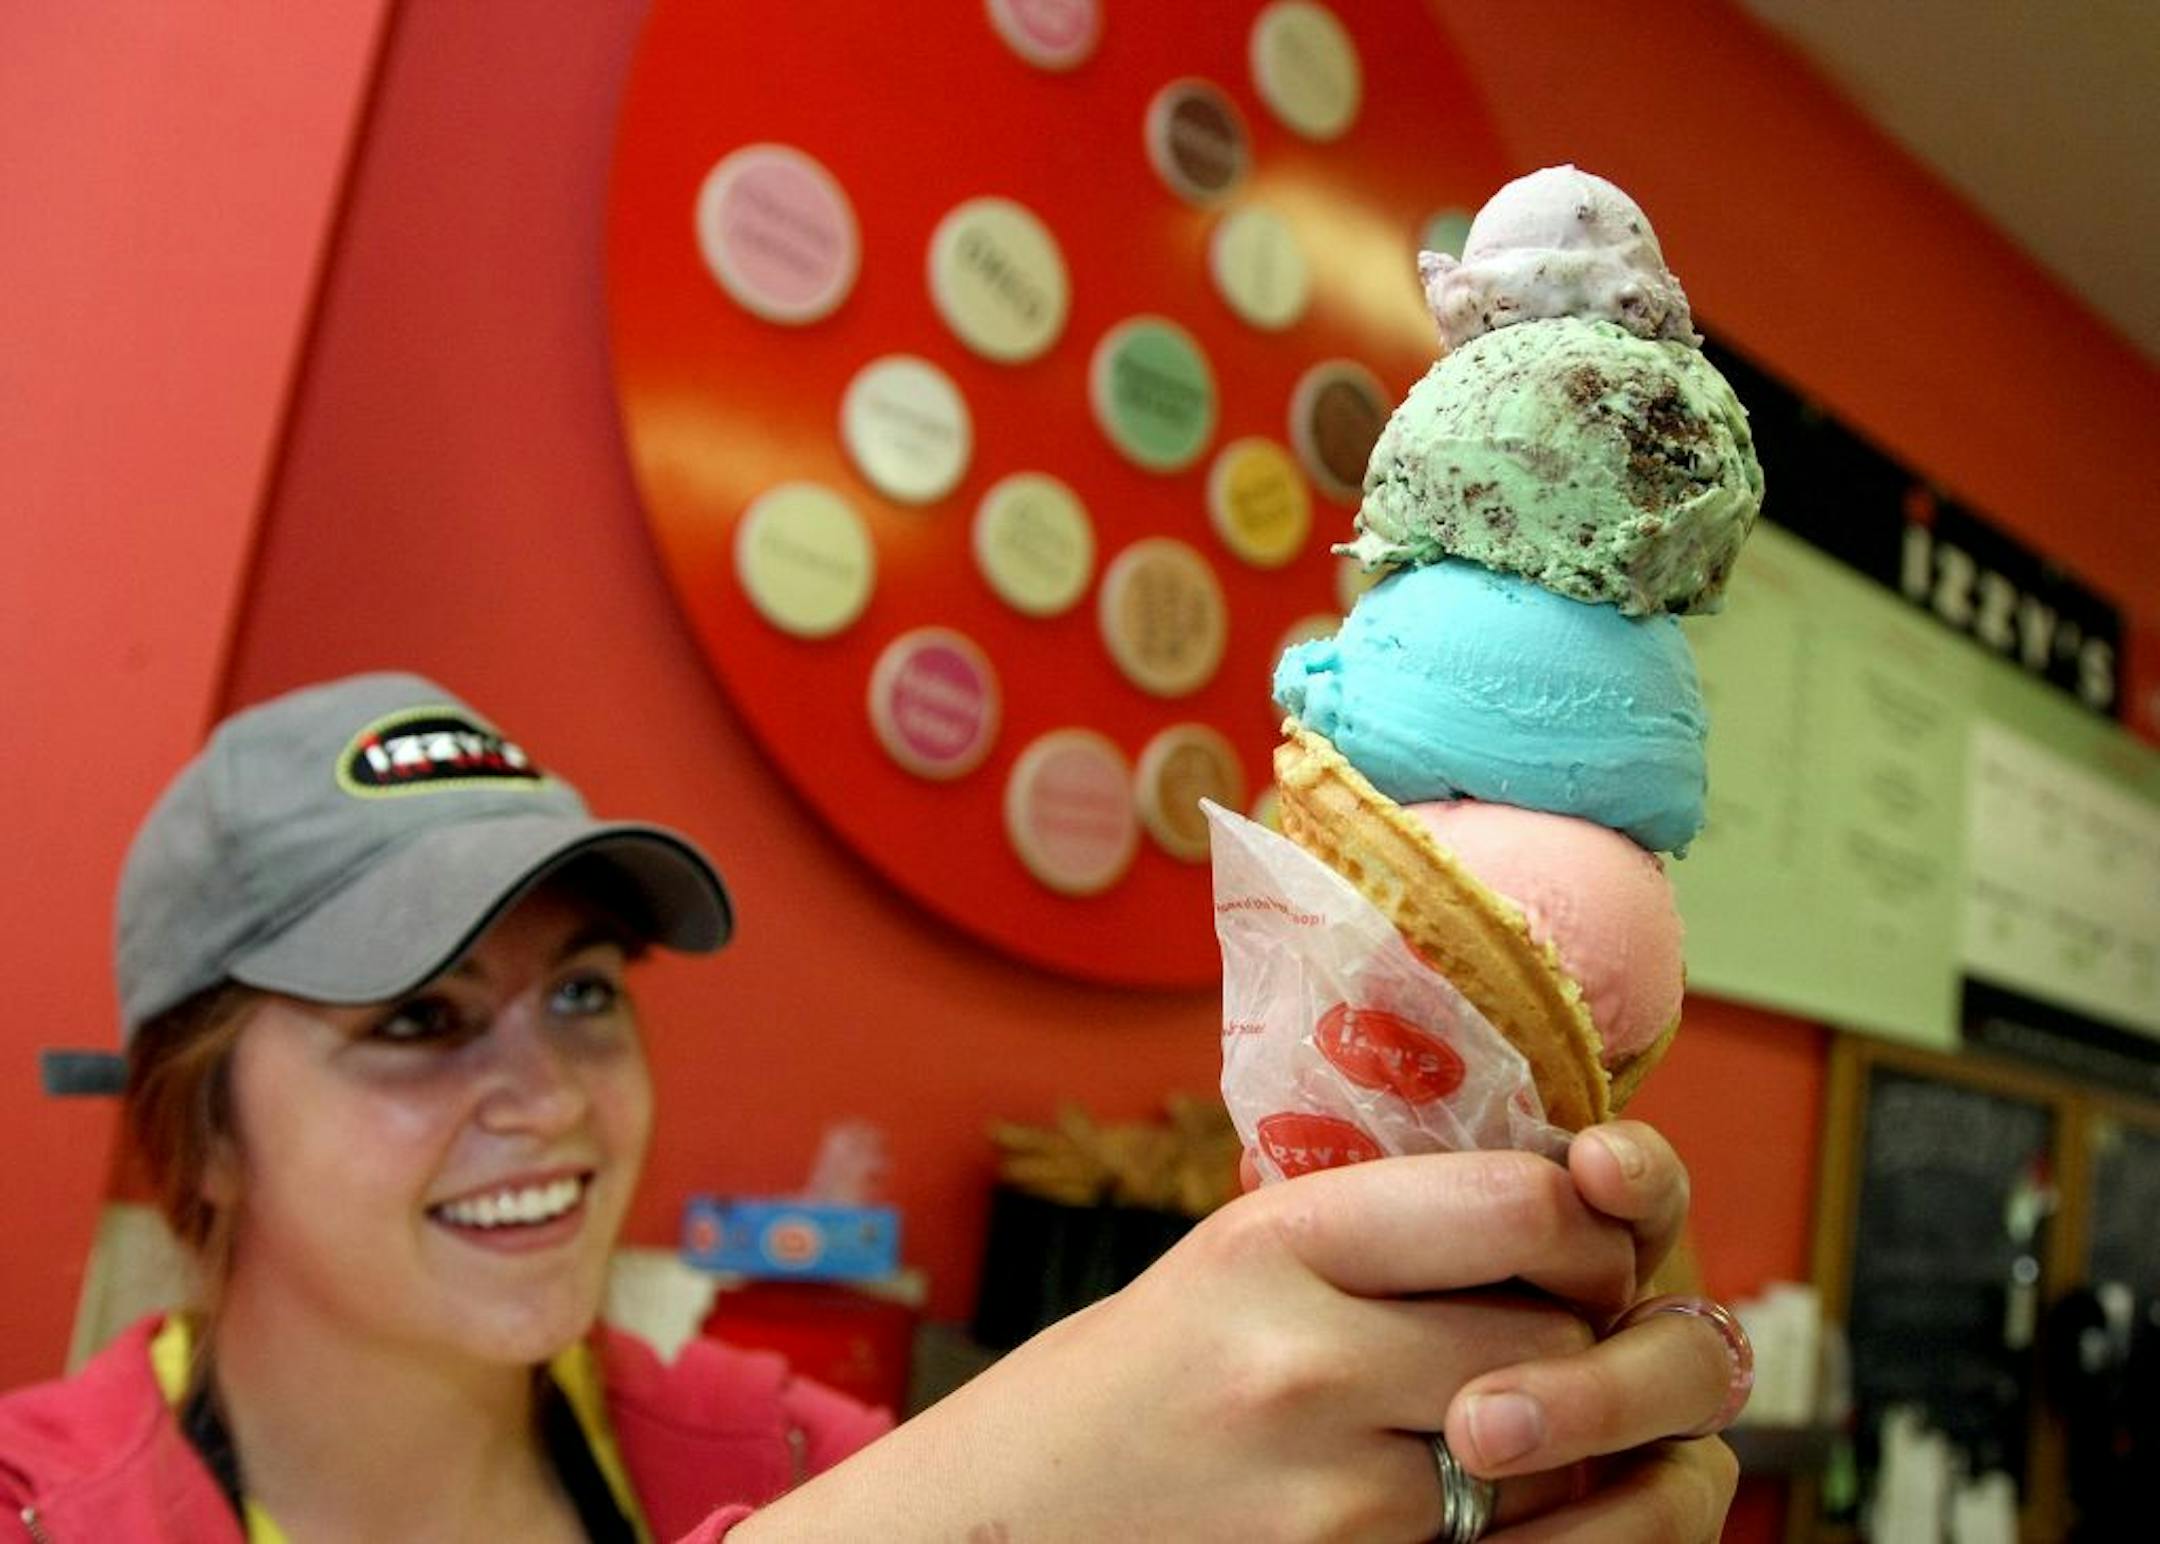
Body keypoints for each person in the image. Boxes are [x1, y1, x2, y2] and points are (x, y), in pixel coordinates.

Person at [0, 672, 1748, 1541]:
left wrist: (1451, 1456)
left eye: (586, 993)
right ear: (201, 1133)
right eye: (415, 1020)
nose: (540, 1091)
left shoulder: (775, 1455)